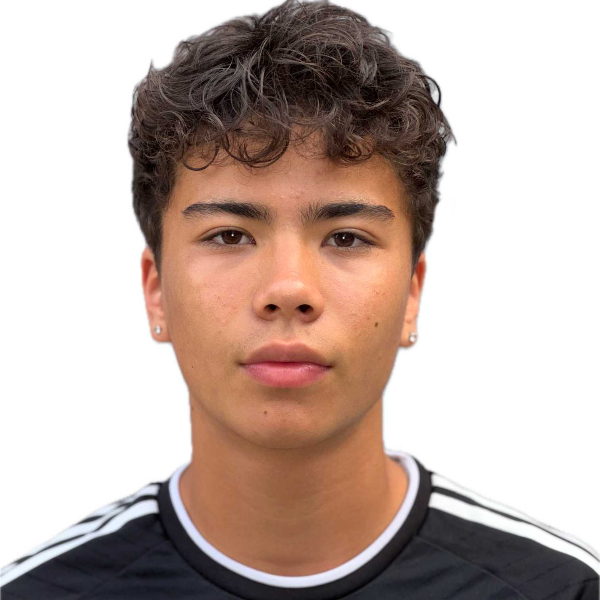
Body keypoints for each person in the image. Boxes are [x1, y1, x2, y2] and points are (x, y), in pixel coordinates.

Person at [1, 0, 598, 597]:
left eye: (346, 237)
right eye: (229, 235)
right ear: (156, 291)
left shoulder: (559, 590)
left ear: (412, 293)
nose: (288, 289)